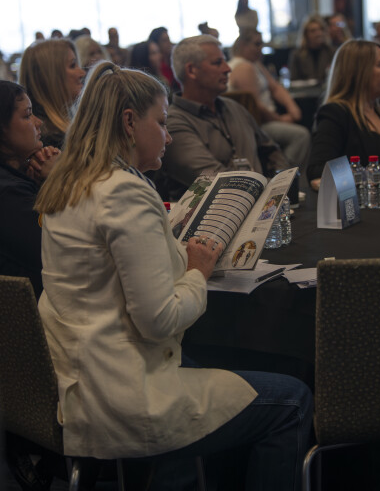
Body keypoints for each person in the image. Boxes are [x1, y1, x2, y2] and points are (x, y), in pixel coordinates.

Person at [35, 60, 312, 490]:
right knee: (293, 399)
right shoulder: (122, 192)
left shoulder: (72, 183)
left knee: (239, 366)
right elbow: (159, 319)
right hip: (128, 393)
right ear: (129, 122)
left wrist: (181, 255)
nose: (168, 136)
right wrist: (198, 272)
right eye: (161, 123)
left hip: (83, 380)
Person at [162, 35, 290, 196]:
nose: (227, 68)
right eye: (217, 63)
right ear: (191, 70)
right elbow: (217, 182)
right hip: (215, 210)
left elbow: (271, 151)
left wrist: (280, 183)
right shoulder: (174, 123)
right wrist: (269, 189)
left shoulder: (234, 108)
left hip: (259, 200)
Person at [307, 39, 380, 189]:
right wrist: (370, 174)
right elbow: (317, 170)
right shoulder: (336, 113)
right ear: (358, 72)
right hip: (373, 200)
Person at [0, 80, 60, 301]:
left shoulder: (17, 177)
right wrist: (58, 178)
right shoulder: (8, 195)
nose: (38, 122)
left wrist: (40, 184)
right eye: (27, 115)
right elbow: (59, 252)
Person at [228, 29, 311, 169]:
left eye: (262, 44)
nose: (261, 48)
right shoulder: (243, 67)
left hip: (265, 120)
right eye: (257, 44)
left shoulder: (254, 63)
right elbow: (256, 107)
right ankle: (284, 173)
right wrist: (280, 119)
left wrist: (292, 107)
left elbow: (275, 87)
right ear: (243, 45)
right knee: (301, 136)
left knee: (301, 119)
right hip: (256, 125)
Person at [19, 38, 85, 149]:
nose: (82, 73)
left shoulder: (60, 126)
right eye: (73, 65)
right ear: (50, 78)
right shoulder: (48, 142)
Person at [288, 14, 335, 83]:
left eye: (321, 29)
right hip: (305, 89)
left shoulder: (331, 52)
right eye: (313, 31)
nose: (318, 33)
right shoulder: (297, 55)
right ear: (306, 34)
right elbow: (293, 80)